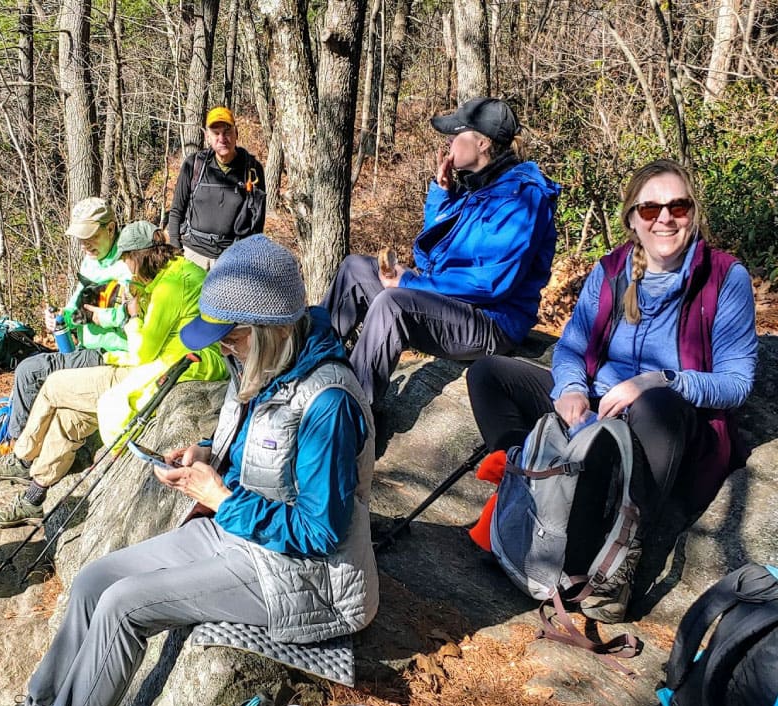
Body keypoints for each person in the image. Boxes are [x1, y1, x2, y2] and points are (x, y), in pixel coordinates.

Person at [0, 235, 379, 706]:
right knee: (93, 582)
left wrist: (221, 497)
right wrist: (206, 452)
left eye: (230, 337)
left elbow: (319, 531)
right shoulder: (266, 361)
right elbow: (254, 448)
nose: (222, 348)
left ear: (269, 328)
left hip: (303, 576)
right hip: (240, 534)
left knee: (123, 606)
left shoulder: (328, 402)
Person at [466, 158, 757, 622]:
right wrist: (571, 388)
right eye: (650, 209)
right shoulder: (611, 271)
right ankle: (525, 489)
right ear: (632, 219)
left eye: (678, 206)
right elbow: (569, 348)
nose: (665, 218)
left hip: (664, 419)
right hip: (597, 405)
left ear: (693, 214)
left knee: (656, 408)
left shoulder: (725, 278)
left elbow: (737, 383)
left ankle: (611, 565)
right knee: (488, 374)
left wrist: (659, 380)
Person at [320, 96, 560, 418]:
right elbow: (435, 258)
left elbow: (489, 283)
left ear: (483, 143)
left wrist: (410, 283)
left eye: (456, 134)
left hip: (491, 321)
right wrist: (442, 194)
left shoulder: (523, 198)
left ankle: (348, 416)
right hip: (457, 307)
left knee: (393, 305)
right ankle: (315, 367)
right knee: (355, 269)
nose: (448, 141)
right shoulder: (480, 188)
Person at [0, 223, 227, 527]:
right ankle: (33, 498)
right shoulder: (169, 276)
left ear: (140, 255)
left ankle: (22, 458)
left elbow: (145, 349)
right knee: (70, 418)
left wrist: (133, 315)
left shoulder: (172, 285)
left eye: (127, 260)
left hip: (162, 370)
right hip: (150, 364)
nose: (126, 267)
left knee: (54, 385)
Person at [5, 197, 135, 442]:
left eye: (91, 236)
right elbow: (76, 305)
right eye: (81, 239)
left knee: (29, 371)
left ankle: (18, 449)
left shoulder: (127, 264)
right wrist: (61, 317)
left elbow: (132, 313)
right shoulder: (92, 260)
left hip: (111, 354)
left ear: (111, 228)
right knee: (29, 364)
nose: (85, 245)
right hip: (87, 348)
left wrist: (98, 316)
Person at [167, 106, 266, 269]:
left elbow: (257, 222)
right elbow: (176, 211)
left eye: (227, 131)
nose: (222, 138)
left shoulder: (252, 170)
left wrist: (248, 259)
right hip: (191, 254)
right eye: (216, 133)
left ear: (236, 133)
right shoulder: (194, 165)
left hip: (231, 258)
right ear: (207, 137)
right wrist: (175, 251)